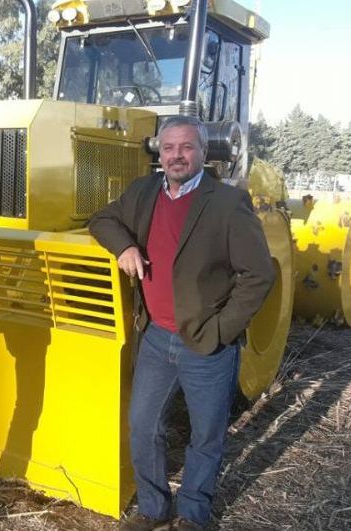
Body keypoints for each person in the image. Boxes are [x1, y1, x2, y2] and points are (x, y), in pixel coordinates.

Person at [89, 116, 275, 531]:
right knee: (143, 425)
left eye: (187, 147)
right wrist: (125, 247)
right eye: (169, 147)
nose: (176, 155)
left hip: (206, 342)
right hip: (155, 336)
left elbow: (259, 274)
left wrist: (223, 329)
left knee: (206, 436)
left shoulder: (227, 203)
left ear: (203, 153)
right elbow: (102, 219)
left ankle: (192, 513)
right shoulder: (143, 192)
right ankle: (154, 508)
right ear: (160, 153)